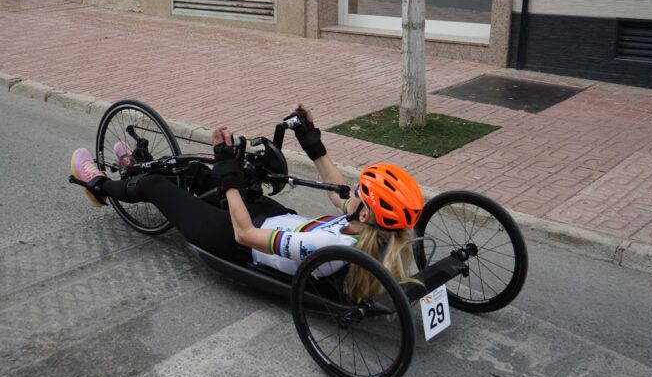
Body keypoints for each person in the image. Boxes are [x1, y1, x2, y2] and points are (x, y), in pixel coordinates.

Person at [71, 106, 424, 297]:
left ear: (367, 211)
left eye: (361, 193)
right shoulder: (373, 232)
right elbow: (337, 191)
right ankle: (131, 169)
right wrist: (311, 143)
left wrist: (229, 178)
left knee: (155, 187)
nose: (354, 192)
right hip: (275, 217)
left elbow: (244, 234)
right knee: (196, 172)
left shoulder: (324, 244)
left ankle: (98, 183)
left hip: (233, 239)